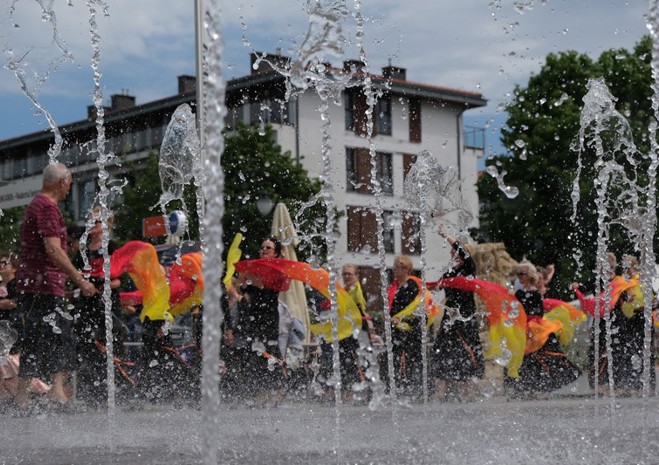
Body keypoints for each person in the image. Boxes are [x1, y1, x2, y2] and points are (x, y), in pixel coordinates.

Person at [14, 163, 97, 413]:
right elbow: (53, 249)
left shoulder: (36, 205)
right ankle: (55, 395)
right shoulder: (47, 207)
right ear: (62, 182)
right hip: (43, 286)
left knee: (35, 340)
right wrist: (80, 280)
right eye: (69, 183)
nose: (69, 189)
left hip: (34, 285)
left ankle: (23, 399)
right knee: (63, 338)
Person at [71, 206, 127, 407]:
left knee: (110, 345)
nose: (91, 225)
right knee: (87, 346)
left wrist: (101, 286)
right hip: (86, 305)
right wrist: (81, 286)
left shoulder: (111, 247)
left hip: (107, 305)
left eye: (95, 221)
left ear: (105, 224)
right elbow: (74, 276)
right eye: (89, 221)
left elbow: (120, 280)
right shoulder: (83, 250)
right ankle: (93, 394)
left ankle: (117, 393)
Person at [229, 236, 286, 405]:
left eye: (268, 248)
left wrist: (249, 278)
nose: (263, 250)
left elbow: (263, 285)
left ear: (275, 253)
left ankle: (276, 390)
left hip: (268, 318)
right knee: (253, 353)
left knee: (269, 351)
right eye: (262, 247)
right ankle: (258, 392)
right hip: (253, 317)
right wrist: (242, 286)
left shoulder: (277, 269)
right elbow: (246, 292)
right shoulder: (255, 269)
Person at [509, 260, 579, 395]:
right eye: (518, 274)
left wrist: (528, 320)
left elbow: (538, 312)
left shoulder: (534, 293)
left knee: (543, 357)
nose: (519, 277)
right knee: (528, 359)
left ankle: (542, 388)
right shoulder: (519, 293)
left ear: (529, 275)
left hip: (536, 330)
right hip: (525, 330)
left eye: (522, 274)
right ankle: (529, 389)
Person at [432, 226, 484, 401]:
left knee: (466, 350)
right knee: (444, 349)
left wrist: (446, 236)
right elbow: (439, 286)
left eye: (456, 251)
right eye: (452, 251)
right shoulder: (450, 272)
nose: (453, 253)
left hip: (465, 316)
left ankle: (469, 391)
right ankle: (444, 390)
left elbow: (461, 250)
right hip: (450, 315)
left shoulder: (469, 269)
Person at [388, 255, 423, 398]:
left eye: (398, 267)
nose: (395, 269)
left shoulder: (411, 285)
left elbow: (412, 308)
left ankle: (412, 391)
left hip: (408, 329)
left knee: (408, 360)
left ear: (407, 269)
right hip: (396, 328)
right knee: (395, 359)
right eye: (394, 267)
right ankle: (398, 389)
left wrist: (400, 318)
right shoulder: (395, 286)